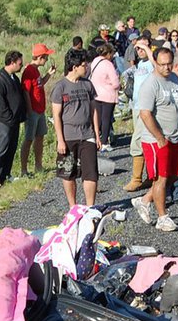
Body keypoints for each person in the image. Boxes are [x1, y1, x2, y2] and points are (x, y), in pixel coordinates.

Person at [131, 49, 178, 232]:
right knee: (161, 177)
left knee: (175, 174)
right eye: (162, 64)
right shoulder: (150, 84)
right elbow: (145, 114)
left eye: (169, 63)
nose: (166, 67)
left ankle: (143, 201)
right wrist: (159, 137)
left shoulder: (174, 79)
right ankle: (162, 217)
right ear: (155, 63)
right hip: (156, 139)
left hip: (174, 136)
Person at [52, 48, 102, 208]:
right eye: (83, 65)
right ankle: (73, 207)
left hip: (87, 135)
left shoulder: (88, 85)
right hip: (68, 137)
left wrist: (97, 135)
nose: (86, 68)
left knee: (91, 173)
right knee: (68, 173)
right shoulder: (60, 87)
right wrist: (60, 140)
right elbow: (56, 116)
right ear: (74, 67)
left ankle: (90, 207)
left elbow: (94, 110)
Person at [0, 51, 26, 189]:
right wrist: (9, 118)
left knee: (12, 147)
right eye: (20, 63)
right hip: (3, 120)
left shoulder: (14, 77)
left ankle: (5, 174)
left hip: (14, 120)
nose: (22, 65)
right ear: (12, 62)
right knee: (1, 146)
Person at [123, 38, 155, 192]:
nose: (140, 50)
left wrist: (147, 50)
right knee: (141, 139)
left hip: (145, 107)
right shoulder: (140, 65)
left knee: (137, 140)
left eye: (143, 47)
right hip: (136, 106)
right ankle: (148, 176)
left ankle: (138, 178)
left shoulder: (151, 62)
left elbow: (156, 64)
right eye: (138, 48)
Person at [20, 43, 56, 176]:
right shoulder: (29, 70)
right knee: (28, 139)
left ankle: (38, 166)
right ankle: (24, 170)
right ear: (40, 57)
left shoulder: (35, 70)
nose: (47, 59)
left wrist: (49, 74)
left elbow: (39, 83)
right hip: (33, 111)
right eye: (46, 56)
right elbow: (25, 91)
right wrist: (30, 110)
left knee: (40, 137)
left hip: (40, 110)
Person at [90, 43, 121, 152]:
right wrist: (119, 85)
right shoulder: (108, 64)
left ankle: (96, 139)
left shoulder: (95, 61)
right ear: (108, 53)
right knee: (106, 119)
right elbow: (115, 82)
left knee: (97, 118)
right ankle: (104, 142)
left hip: (96, 94)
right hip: (108, 95)